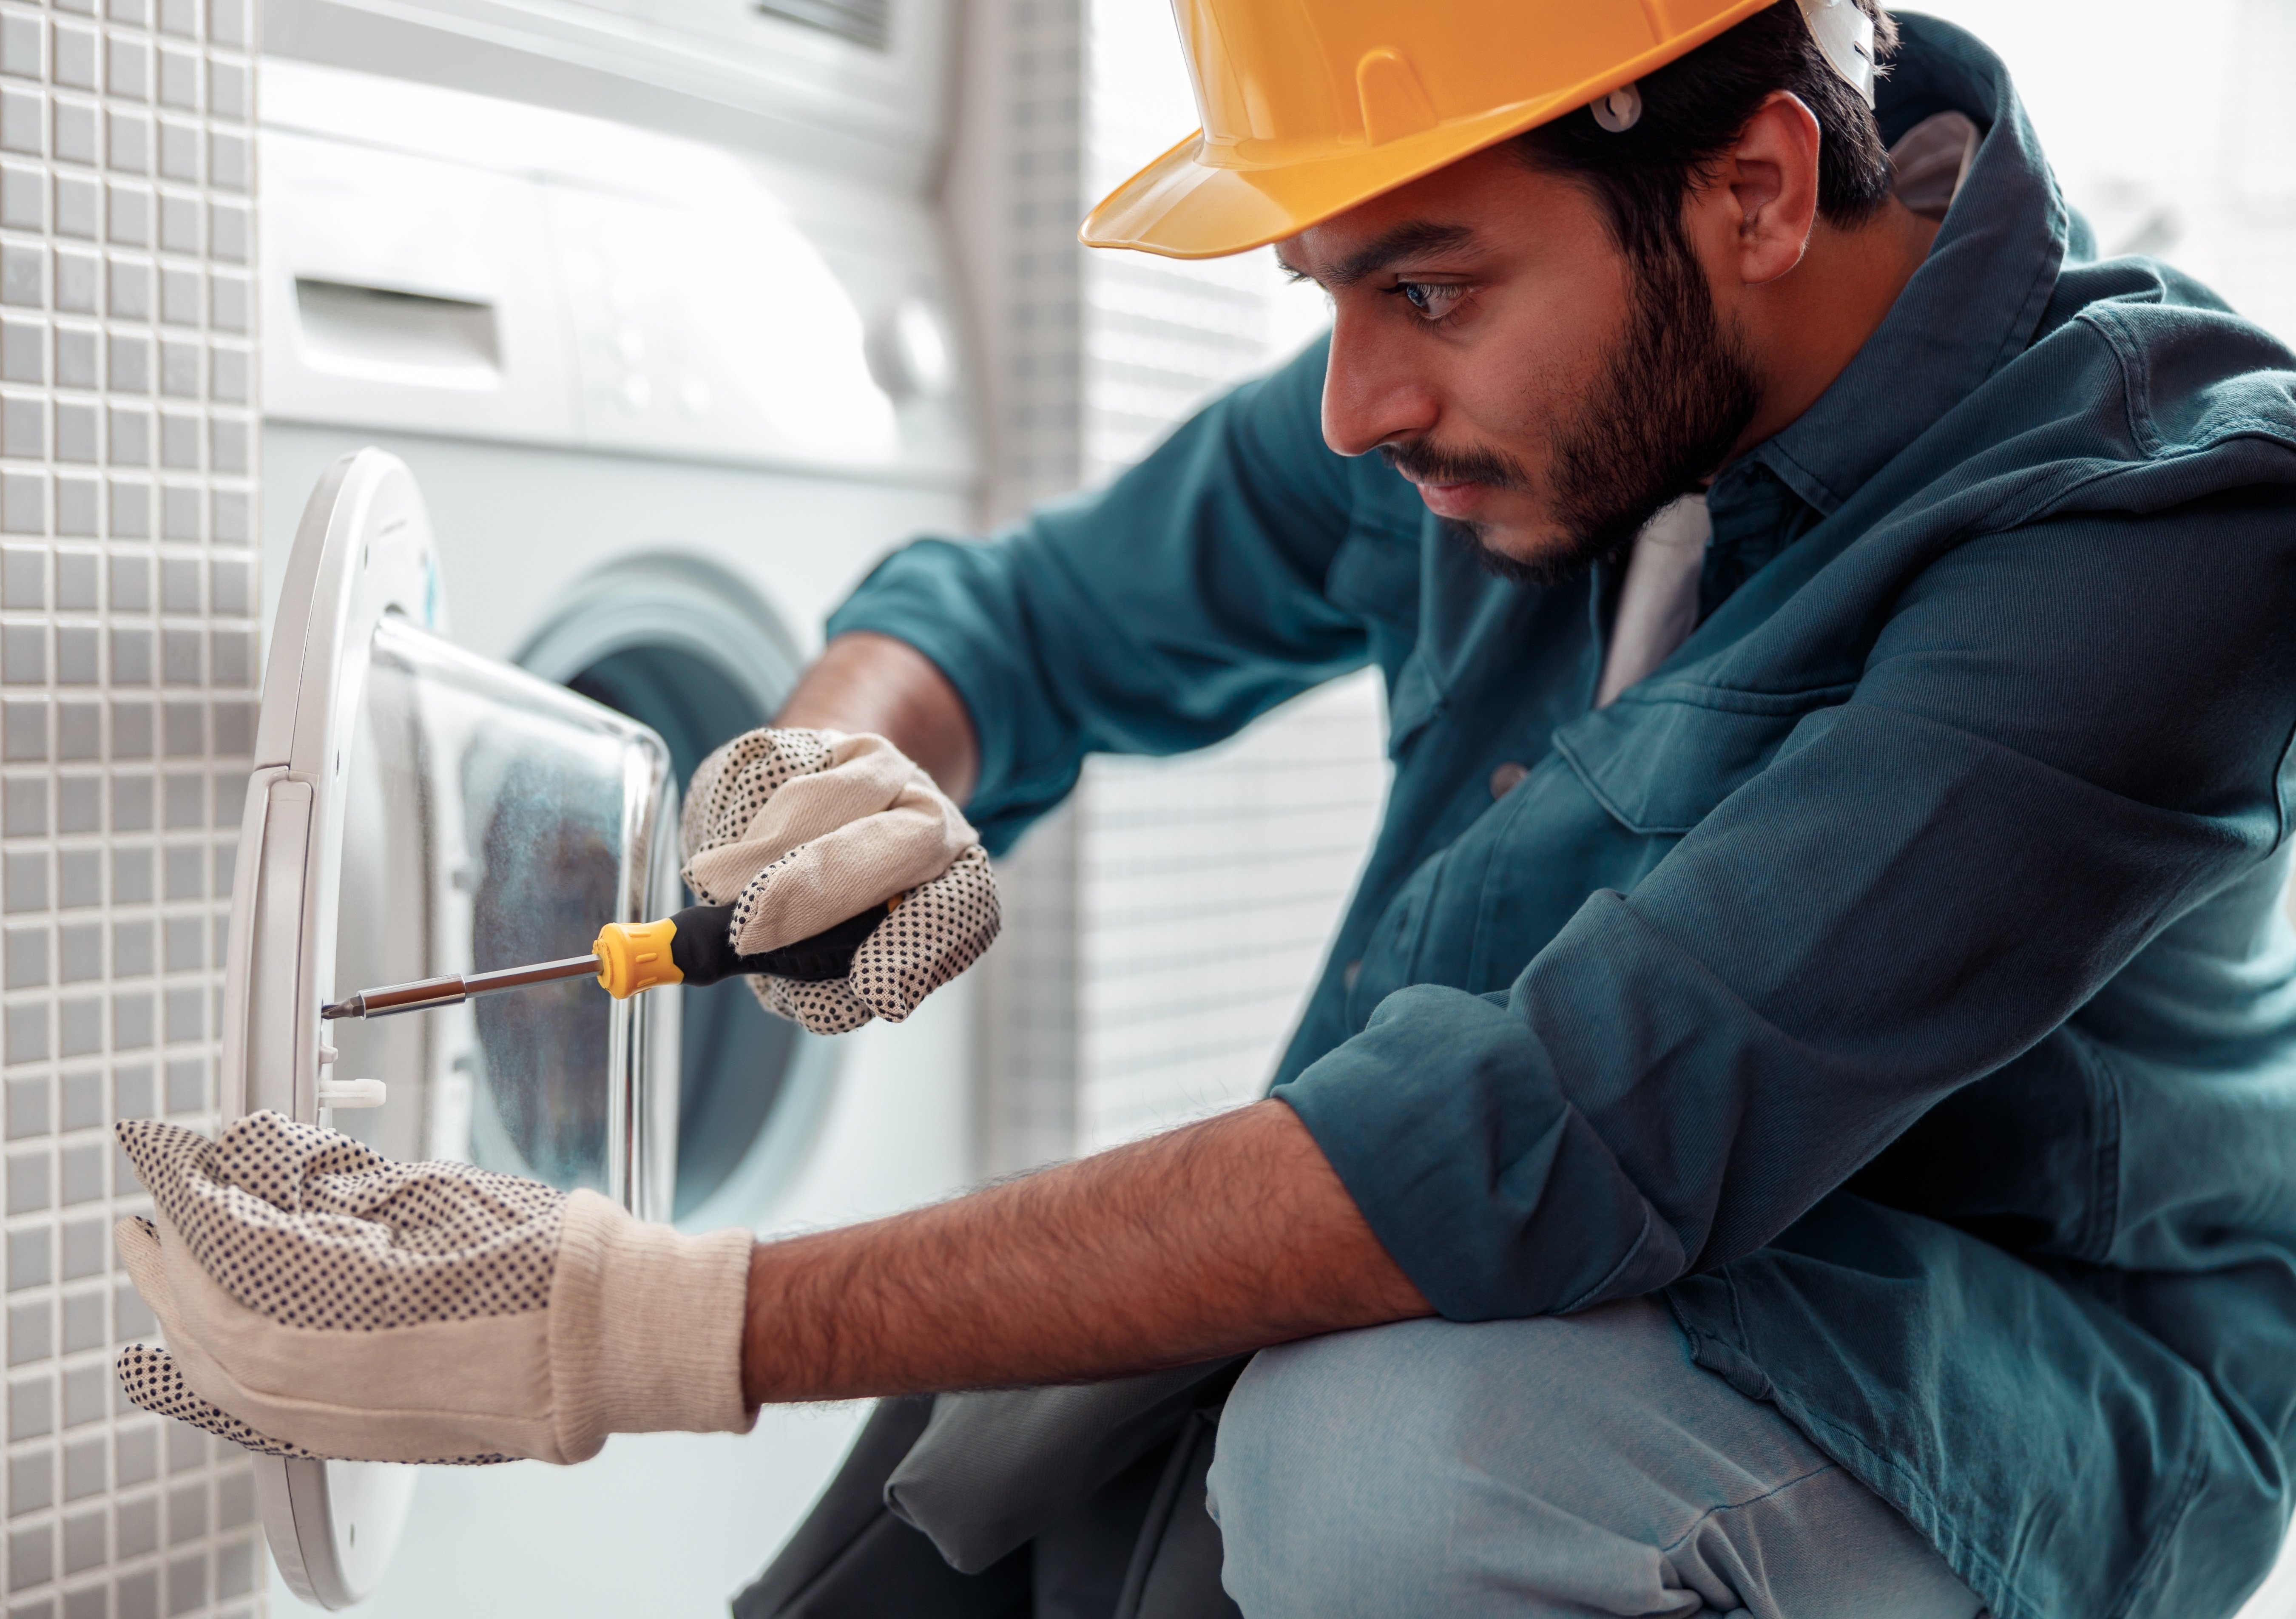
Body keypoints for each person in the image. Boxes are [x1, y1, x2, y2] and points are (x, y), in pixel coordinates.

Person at [113, 2, 2296, 1615]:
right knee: (980, 1484)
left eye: (1422, 288)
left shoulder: (2159, 528)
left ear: (1752, 188)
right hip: (1573, 1299)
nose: (1358, 400)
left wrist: (651, 1327)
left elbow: (1563, 1135)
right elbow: (1026, 614)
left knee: (1382, 1468)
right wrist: (840, 757)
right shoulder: (1551, 373)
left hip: (2007, 1423)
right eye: (1327, 291)